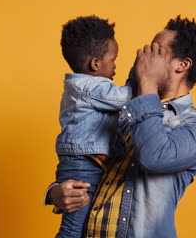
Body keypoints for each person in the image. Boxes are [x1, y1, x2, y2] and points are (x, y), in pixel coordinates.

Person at [45, 16, 196, 238]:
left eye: (156, 51)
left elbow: (153, 156)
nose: (144, 55)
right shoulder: (121, 106)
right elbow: (86, 162)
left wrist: (147, 83)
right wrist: (55, 193)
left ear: (182, 65)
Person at [52, 15, 133, 238]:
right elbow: (125, 98)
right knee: (72, 231)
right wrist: (141, 75)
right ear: (95, 64)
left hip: (84, 163)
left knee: (82, 227)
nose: (115, 65)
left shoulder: (83, 86)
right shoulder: (88, 87)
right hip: (82, 166)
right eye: (113, 59)